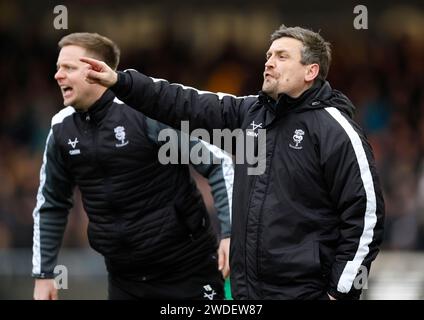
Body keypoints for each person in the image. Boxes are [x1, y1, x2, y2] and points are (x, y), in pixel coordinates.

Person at [82, 25, 385, 300]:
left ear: (310, 71)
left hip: (304, 293)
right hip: (246, 293)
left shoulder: (335, 128)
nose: (268, 62)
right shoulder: (249, 114)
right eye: (269, 55)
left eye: (281, 56)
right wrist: (121, 82)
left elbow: (365, 216)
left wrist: (340, 294)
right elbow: (181, 102)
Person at [32, 32, 234, 300]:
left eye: (68, 67)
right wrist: (44, 274)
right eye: (58, 68)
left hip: (187, 270)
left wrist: (231, 234)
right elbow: (51, 203)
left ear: (96, 70)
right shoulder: (60, 129)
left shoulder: (145, 112)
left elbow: (218, 162)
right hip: (125, 279)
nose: (58, 75)